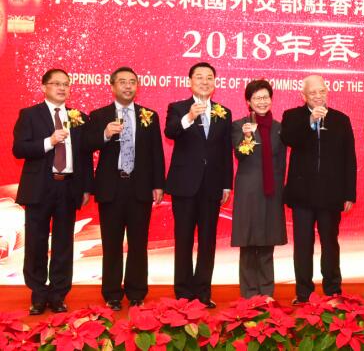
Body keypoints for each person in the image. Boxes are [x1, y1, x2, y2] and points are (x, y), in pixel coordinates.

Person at [12, 69, 93, 315]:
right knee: (36, 242)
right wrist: (50, 141)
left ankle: (58, 294)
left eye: (66, 84)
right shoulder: (30, 114)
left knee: (64, 243)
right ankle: (38, 294)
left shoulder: (79, 117)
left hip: (68, 186)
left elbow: (85, 155)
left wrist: (86, 187)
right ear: (44, 87)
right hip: (39, 187)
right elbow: (19, 148)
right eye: (56, 83)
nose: (62, 88)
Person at [85, 66, 165, 310]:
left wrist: (158, 184)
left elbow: (156, 152)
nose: (128, 86)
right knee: (111, 243)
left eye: (132, 81)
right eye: (122, 81)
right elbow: (86, 145)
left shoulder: (149, 115)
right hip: (111, 187)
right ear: (112, 86)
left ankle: (137, 291)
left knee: (139, 243)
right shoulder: (99, 115)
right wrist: (105, 134)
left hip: (139, 186)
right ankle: (112, 293)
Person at [281, 75, 356, 303]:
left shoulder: (341, 119)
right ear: (303, 96)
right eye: (312, 92)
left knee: (330, 243)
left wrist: (349, 193)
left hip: (331, 194)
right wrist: (310, 121)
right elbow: (289, 139)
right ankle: (303, 293)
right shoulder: (292, 116)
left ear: (327, 93)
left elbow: (349, 159)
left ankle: (333, 289)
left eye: (321, 91)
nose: (317, 96)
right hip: (302, 194)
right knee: (303, 245)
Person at [164, 62, 233, 308]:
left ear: (215, 82)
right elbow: (170, 132)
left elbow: (225, 151)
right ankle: (183, 293)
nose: (205, 82)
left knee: (207, 241)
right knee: (183, 239)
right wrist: (190, 117)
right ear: (190, 81)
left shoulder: (223, 112)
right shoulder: (178, 108)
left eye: (209, 77)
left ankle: (203, 292)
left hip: (212, 186)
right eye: (199, 77)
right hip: (184, 185)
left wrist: (226, 184)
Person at [231, 79, 287, 299]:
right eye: (257, 98)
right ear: (248, 101)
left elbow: (281, 161)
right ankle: (249, 293)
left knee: (267, 242)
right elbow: (240, 154)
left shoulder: (279, 128)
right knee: (247, 243)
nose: (262, 102)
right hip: (248, 191)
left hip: (271, 191)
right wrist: (247, 137)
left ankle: (266, 291)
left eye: (265, 97)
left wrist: (281, 188)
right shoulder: (240, 125)